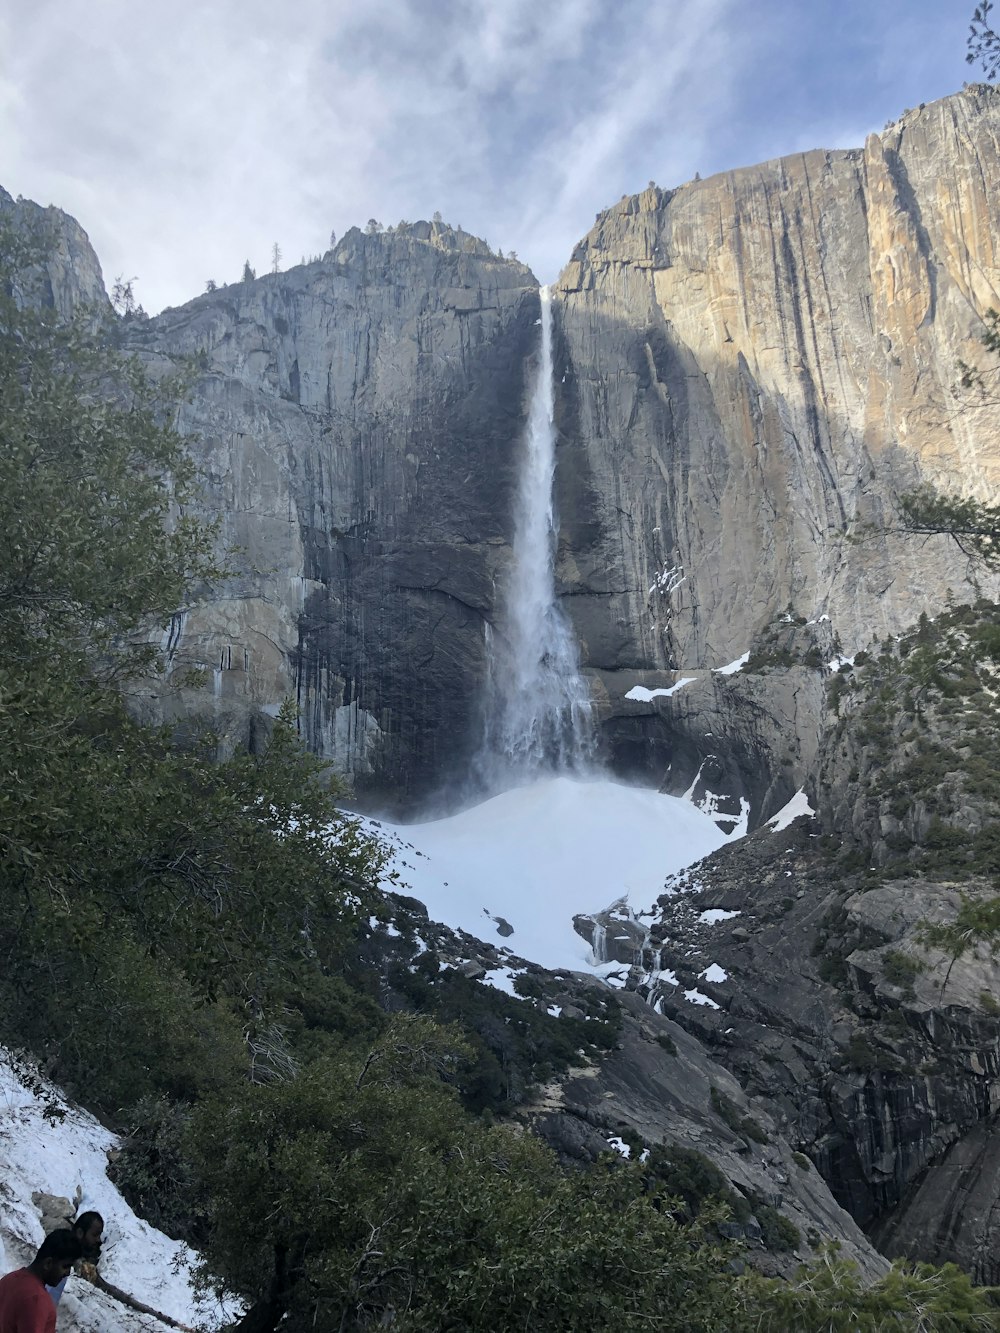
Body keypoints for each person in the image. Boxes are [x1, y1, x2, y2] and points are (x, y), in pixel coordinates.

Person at [0, 1231, 82, 1333]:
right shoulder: (37, 1299)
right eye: (65, 1266)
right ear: (48, 1263)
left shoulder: (9, 1279)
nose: (67, 1273)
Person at [45, 1211, 103, 1307]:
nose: (98, 1240)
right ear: (80, 1232)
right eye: (94, 1235)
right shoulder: (61, 1254)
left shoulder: (69, 1256)